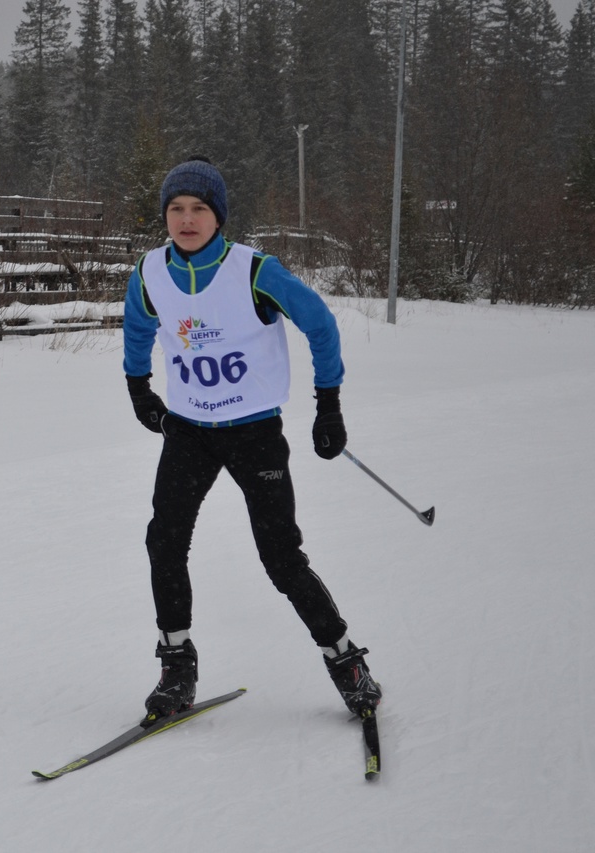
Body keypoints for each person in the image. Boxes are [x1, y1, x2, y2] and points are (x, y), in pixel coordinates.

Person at [122, 156, 382, 721]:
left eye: (199, 209)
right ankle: (176, 667)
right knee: (164, 541)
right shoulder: (149, 273)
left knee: (280, 558)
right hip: (189, 432)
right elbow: (138, 326)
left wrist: (329, 404)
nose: (186, 220)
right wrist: (138, 387)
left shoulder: (254, 271)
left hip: (254, 434)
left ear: (218, 217)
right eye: (175, 209)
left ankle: (346, 660)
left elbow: (320, 323)